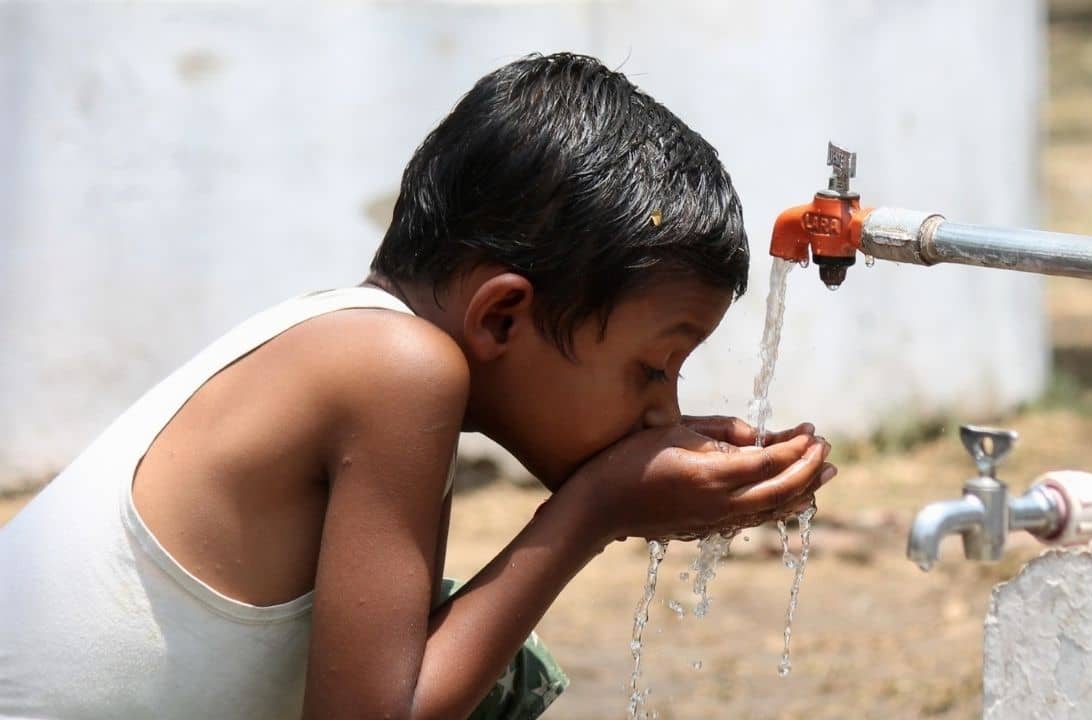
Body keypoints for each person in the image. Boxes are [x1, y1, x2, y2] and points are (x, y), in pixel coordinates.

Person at [0, 52, 835, 720]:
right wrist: (597, 509)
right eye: (654, 369)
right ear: (503, 317)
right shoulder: (402, 371)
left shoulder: (359, 343)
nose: (663, 411)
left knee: (495, 671)